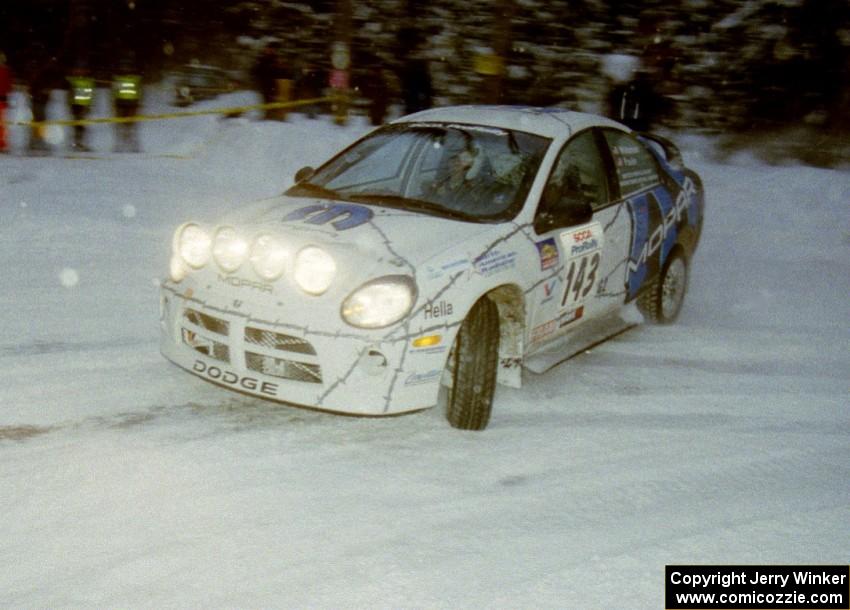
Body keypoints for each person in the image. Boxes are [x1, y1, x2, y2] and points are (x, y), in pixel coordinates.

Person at [112, 59, 142, 152]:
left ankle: (132, 146)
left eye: (128, 67)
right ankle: (120, 145)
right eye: (124, 67)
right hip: (120, 104)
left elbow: (139, 92)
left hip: (132, 104)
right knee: (121, 126)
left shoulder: (136, 79)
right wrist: (114, 104)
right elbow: (114, 92)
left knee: (131, 126)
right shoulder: (117, 78)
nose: (126, 69)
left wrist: (138, 103)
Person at [66, 66, 94, 151]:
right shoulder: (72, 80)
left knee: (82, 126)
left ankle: (80, 143)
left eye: (82, 69)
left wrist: (88, 106)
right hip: (75, 106)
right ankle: (76, 143)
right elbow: (69, 94)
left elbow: (90, 94)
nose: (79, 71)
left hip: (84, 106)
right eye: (77, 69)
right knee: (77, 126)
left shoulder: (89, 81)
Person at [0, 52, 11, 153]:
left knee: (3, 124)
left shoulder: (6, 70)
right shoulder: (6, 70)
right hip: (3, 100)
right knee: (3, 123)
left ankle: (2, 144)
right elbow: (8, 87)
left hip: (3, 100)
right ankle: (2, 144)